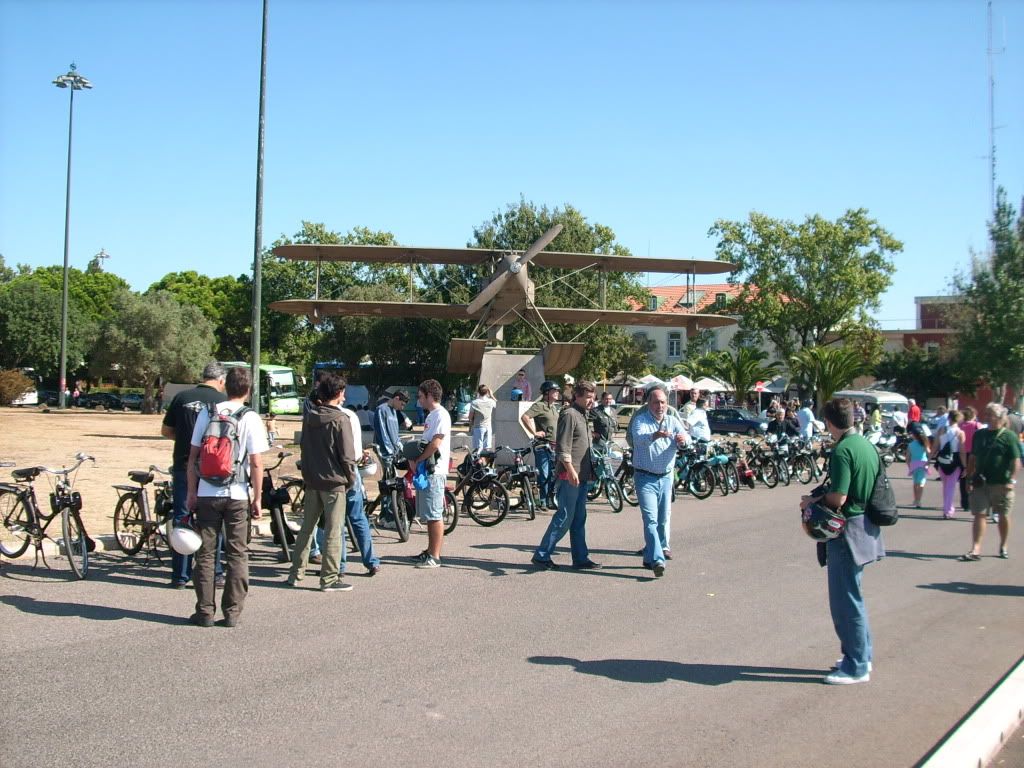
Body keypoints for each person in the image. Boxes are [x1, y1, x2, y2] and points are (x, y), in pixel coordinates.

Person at [799, 397, 884, 684]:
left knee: (845, 601)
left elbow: (839, 497)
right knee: (854, 596)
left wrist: (813, 500)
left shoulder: (843, 450)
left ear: (829, 422)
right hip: (865, 525)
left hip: (847, 529)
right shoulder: (864, 444)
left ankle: (856, 665)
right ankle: (862, 655)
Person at [185, 366, 269, 628]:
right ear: (248, 389)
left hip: (207, 492)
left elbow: (193, 458)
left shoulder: (207, 413)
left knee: (206, 555)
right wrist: (257, 497)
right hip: (236, 493)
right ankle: (232, 611)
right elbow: (256, 463)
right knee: (237, 554)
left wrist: (191, 491)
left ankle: (205, 611)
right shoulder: (250, 417)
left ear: (225, 386)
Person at [287, 372, 358, 592]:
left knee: (306, 529)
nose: (344, 397)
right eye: (343, 393)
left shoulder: (310, 417)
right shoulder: (340, 419)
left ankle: (295, 573)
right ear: (337, 393)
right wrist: (351, 479)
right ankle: (329, 578)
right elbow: (347, 456)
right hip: (334, 483)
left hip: (312, 480)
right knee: (334, 531)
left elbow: (304, 449)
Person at [160, 361, 227, 589]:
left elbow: (166, 430)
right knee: (212, 519)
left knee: (182, 517)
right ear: (220, 380)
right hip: (213, 468)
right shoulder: (223, 402)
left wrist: (185, 441)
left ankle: (180, 575)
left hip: (182, 465)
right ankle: (215, 572)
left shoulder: (181, 397)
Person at [531, 380, 600, 570]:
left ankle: (580, 558)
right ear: (577, 396)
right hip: (570, 475)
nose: (591, 401)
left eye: (592, 397)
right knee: (565, 516)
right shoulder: (569, 414)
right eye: (587, 397)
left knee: (578, 518)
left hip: (582, 475)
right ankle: (542, 555)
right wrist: (570, 470)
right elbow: (563, 446)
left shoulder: (583, 415)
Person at [629, 384, 688, 577]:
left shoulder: (672, 420)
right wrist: (654, 435)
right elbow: (637, 440)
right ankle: (657, 559)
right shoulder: (640, 420)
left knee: (662, 519)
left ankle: (649, 556)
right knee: (651, 520)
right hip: (645, 477)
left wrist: (683, 441)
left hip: (665, 477)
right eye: (656, 402)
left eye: (663, 402)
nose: (660, 406)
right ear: (649, 403)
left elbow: (687, 439)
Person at [961, 403, 1023, 562]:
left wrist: (1012, 480)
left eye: (991, 415)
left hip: (1002, 483)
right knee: (979, 514)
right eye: (986, 414)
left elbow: (1016, 461)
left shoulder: (1009, 436)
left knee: (1003, 515)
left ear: (1001, 418)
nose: (987, 417)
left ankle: (1003, 545)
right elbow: (973, 458)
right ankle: (976, 548)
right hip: (981, 482)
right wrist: (968, 478)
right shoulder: (979, 434)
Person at [411, 379, 451, 569]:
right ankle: (429, 550)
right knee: (428, 513)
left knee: (434, 514)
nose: (418, 401)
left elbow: (435, 443)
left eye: (420, 396)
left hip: (434, 470)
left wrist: (418, 459)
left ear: (429, 395)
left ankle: (435, 556)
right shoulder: (430, 416)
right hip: (427, 470)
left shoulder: (441, 415)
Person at [372, 390, 410, 528]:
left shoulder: (394, 412)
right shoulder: (381, 410)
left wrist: (400, 449)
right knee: (389, 484)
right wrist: (388, 453)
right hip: (384, 453)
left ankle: (385, 515)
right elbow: (382, 433)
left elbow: (395, 435)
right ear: (396, 398)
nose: (402, 407)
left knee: (391, 484)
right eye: (402, 404)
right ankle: (387, 517)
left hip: (394, 452)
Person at [521, 381, 561, 510]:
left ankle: (551, 499)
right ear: (547, 393)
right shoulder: (539, 406)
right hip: (543, 445)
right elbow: (525, 417)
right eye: (554, 391)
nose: (557, 393)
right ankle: (542, 500)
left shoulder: (554, 407)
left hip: (555, 445)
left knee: (554, 473)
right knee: (544, 473)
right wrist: (534, 432)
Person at [934, 409, 966, 519]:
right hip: (955, 460)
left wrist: (929, 459)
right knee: (951, 487)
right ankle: (947, 510)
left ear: (948, 418)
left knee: (945, 485)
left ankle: (947, 507)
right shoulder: (960, 433)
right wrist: (965, 466)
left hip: (942, 460)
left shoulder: (941, 430)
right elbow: (962, 451)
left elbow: (935, 446)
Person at [958, 406, 981, 511]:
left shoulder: (960, 426)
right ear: (974, 415)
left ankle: (965, 502)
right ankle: (973, 501)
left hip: (961, 454)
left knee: (963, 479)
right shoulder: (977, 426)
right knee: (974, 477)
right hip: (974, 454)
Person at [906, 422, 932, 508]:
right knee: (921, 483)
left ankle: (915, 499)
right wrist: (928, 462)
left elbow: (908, 458)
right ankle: (918, 500)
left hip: (914, 464)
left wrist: (909, 466)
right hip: (922, 464)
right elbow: (929, 453)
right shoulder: (924, 443)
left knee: (915, 482)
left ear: (914, 435)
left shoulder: (910, 444)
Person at [468, 384, 497, 453]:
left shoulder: (474, 403)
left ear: (478, 392)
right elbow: (499, 404)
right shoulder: (491, 402)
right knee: (486, 449)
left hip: (478, 427)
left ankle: (478, 462)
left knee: (478, 449)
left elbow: (470, 417)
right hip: (488, 427)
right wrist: (492, 395)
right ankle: (485, 463)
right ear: (487, 392)